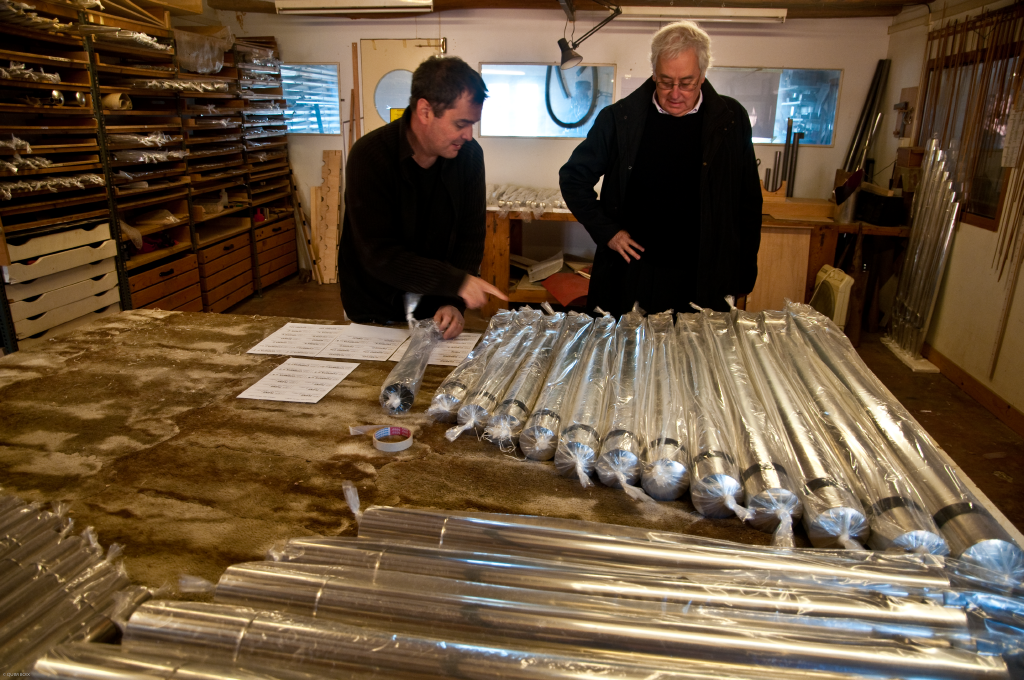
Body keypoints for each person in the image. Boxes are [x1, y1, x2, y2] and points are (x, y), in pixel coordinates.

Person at [559, 21, 762, 317]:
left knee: (698, 360)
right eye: (666, 81)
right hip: (634, 276)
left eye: (687, 82)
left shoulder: (731, 120)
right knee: (628, 359)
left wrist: (745, 271)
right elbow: (573, 178)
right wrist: (609, 232)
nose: (675, 93)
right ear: (654, 72)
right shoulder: (620, 119)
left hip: (704, 275)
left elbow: (748, 202)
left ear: (703, 76)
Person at [340, 55, 506, 339]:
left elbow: (470, 237)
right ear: (426, 111)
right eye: (461, 124)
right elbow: (378, 254)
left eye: (473, 124)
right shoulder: (370, 156)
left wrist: (454, 301)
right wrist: (456, 282)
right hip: (374, 307)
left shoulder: (469, 157)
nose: (469, 135)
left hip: (436, 307)